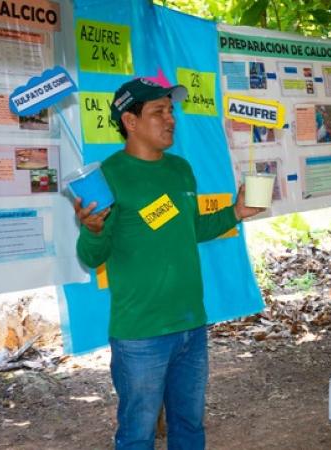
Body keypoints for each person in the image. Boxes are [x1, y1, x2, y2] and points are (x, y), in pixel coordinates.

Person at [73, 78, 264, 448]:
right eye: (158, 111)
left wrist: (236, 212)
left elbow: (191, 228)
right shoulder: (108, 177)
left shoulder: (180, 169)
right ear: (130, 121)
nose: (170, 119)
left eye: (171, 110)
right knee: (137, 433)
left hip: (191, 324)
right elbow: (91, 256)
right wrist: (93, 230)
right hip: (140, 333)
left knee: (189, 426)